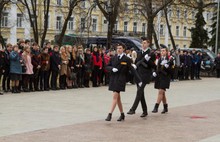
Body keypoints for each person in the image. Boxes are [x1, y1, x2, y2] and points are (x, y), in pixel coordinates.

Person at [105, 43, 142, 122]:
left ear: (123, 49)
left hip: (120, 80)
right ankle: (122, 114)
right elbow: (107, 66)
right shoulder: (113, 58)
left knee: (115, 96)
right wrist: (112, 69)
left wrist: (139, 80)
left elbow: (132, 70)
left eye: (120, 48)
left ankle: (110, 114)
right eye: (117, 48)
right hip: (113, 79)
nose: (118, 49)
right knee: (118, 99)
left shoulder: (127, 59)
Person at [127, 37, 156, 117]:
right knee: (141, 93)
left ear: (148, 44)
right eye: (142, 43)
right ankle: (145, 111)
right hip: (138, 75)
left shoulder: (151, 53)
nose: (143, 44)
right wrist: (133, 64)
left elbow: (153, 65)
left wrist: (148, 60)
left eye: (145, 43)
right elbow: (137, 62)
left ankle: (133, 109)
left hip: (146, 75)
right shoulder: (139, 53)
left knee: (139, 91)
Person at [152, 44, 173, 113]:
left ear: (166, 52)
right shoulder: (159, 59)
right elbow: (157, 68)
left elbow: (172, 71)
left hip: (166, 77)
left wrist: (168, 67)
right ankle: (165, 107)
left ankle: (156, 107)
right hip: (159, 77)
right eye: (161, 51)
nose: (162, 52)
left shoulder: (170, 59)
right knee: (163, 93)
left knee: (160, 91)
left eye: (164, 51)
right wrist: (155, 72)